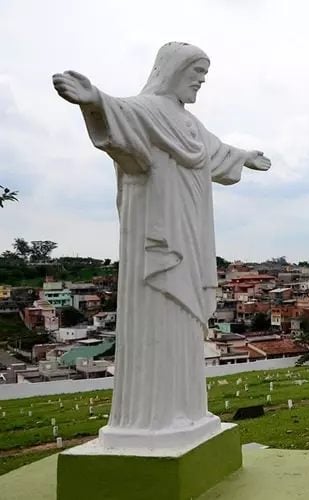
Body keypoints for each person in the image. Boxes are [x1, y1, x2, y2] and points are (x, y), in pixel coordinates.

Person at [52, 42, 270, 449]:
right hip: (156, 236)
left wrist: (245, 157)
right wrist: (94, 101)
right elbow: (119, 123)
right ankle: (152, 420)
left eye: (204, 75)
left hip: (192, 233)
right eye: (196, 73)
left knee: (187, 325)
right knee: (159, 317)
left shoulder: (190, 125)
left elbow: (217, 154)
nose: (201, 82)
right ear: (173, 71)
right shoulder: (146, 110)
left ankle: (186, 412)